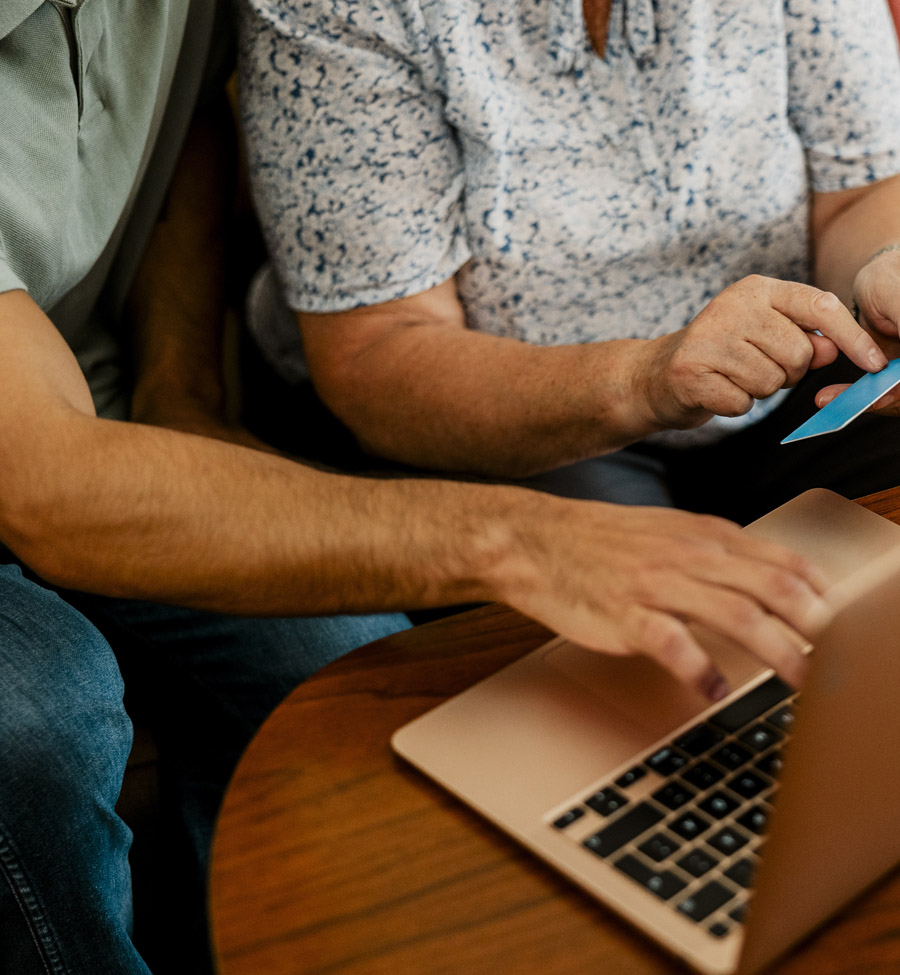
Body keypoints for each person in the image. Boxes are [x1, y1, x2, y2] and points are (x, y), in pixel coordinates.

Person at [0, 3, 839, 974]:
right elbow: (51, 490)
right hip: (44, 463)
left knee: (344, 667)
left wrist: (179, 392)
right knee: (42, 718)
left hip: (88, 412)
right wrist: (525, 539)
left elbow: (178, 127)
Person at [237, 0, 900, 525]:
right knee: (669, 643)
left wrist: (884, 263)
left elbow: (860, 191)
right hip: (515, 416)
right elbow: (377, 351)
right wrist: (648, 379)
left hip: (786, 380)